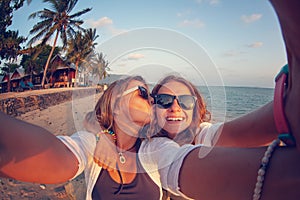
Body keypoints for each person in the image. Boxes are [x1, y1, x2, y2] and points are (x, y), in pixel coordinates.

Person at [0, 75, 164, 199]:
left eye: (152, 96)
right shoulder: (91, 142)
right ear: (116, 105)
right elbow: (59, 158)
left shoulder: (156, 148)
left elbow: (181, 160)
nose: (151, 99)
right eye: (143, 92)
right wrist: (102, 135)